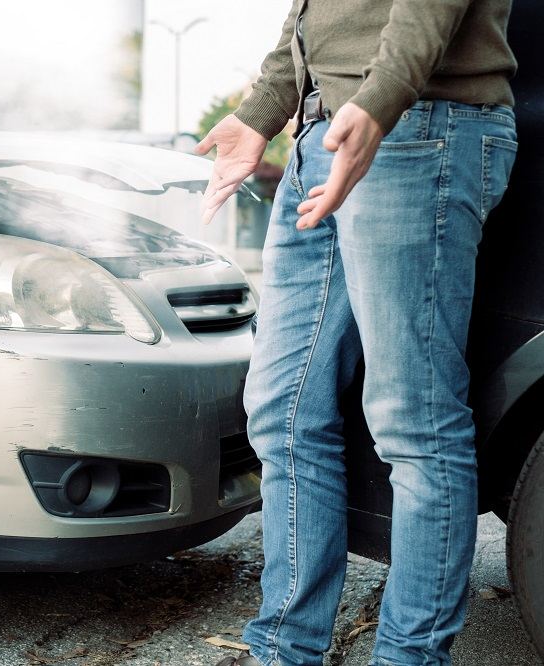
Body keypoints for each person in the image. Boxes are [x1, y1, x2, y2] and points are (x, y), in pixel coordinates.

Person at [197, 1, 518, 664]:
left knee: (414, 420)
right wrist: (263, 111)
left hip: (415, 122)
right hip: (323, 137)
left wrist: (380, 101)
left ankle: (408, 658)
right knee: (282, 410)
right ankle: (285, 649)